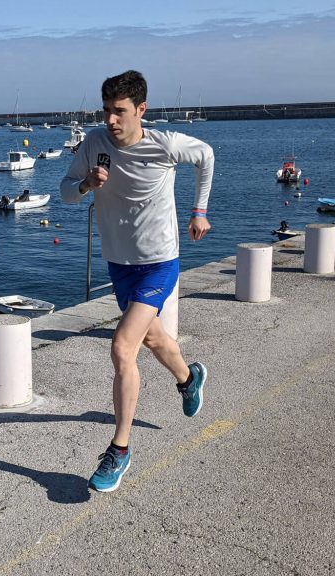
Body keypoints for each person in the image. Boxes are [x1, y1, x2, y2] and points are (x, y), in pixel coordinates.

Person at [60, 70, 215, 493]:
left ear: (141, 109)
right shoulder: (94, 143)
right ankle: (189, 378)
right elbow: (66, 192)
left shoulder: (164, 144)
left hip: (159, 261)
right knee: (152, 338)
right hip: (119, 263)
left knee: (122, 346)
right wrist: (86, 184)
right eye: (106, 111)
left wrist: (199, 211)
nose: (111, 120)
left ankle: (120, 449)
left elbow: (206, 156)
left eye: (120, 111)